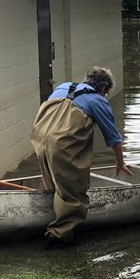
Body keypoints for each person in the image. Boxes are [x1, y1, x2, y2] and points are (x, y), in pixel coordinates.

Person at [31, 66, 133, 248]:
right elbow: (113, 138)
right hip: (62, 144)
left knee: (53, 185)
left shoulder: (63, 87)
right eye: (107, 93)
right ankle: (58, 236)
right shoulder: (97, 100)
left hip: (39, 139)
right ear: (103, 89)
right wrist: (120, 163)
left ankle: (50, 215)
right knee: (73, 192)